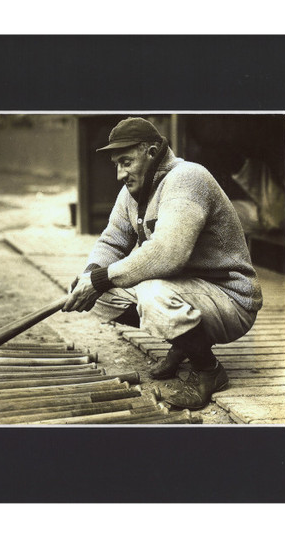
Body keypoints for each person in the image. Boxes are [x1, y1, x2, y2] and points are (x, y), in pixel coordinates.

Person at [62, 117, 263, 410]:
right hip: (188, 290)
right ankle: (185, 342)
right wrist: (89, 276)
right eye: (117, 163)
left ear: (152, 151)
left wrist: (102, 278)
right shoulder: (133, 191)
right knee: (99, 295)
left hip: (231, 298)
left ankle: (208, 370)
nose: (120, 173)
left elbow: (168, 254)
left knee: (152, 293)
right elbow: (112, 241)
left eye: (126, 161)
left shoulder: (187, 178)